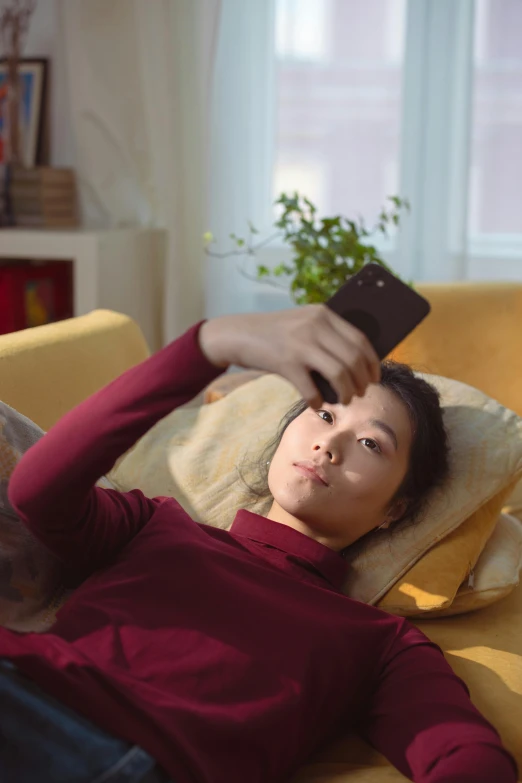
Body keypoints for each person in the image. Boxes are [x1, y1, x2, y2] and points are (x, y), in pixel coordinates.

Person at [0, 305, 517, 783]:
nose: (329, 444)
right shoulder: (152, 525)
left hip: (121, 759)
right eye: (324, 413)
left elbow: (465, 757)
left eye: (369, 444)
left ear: (394, 510)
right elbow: (37, 490)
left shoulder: (380, 643)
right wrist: (210, 345)